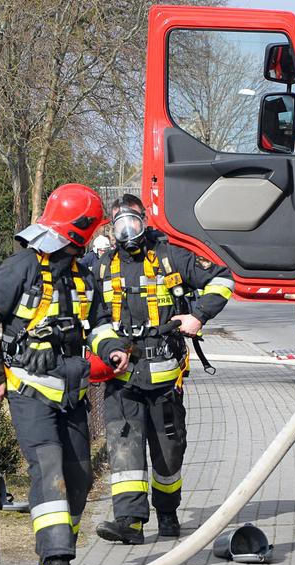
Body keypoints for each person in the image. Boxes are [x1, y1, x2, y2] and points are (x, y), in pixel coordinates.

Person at [0, 184, 129, 565]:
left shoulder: (83, 273)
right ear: (81, 229)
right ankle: (55, 561)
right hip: (29, 390)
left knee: (80, 475)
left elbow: (100, 323)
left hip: (72, 391)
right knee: (48, 467)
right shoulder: (22, 267)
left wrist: (112, 348)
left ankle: (61, 545)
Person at [94, 194, 234, 544]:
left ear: (144, 219)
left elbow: (223, 279)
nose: (128, 228)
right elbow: (90, 313)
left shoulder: (171, 257)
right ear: (111, 228)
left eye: (133, 219)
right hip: (122, 378)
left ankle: (168, 513)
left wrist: (198, 315)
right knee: (124, 448)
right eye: (120, 221)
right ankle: (129, 522)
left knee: (169, 453)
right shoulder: (101, 266)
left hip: (165, 379)